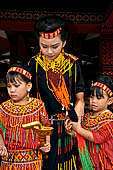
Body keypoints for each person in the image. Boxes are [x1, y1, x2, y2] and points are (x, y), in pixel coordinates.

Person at [28, 15, 85, 170]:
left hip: (67, 125)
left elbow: (80, 96)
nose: (49, 51)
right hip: (42, 126)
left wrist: (76, 121)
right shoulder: (34, 64)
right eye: (44, 46)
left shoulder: (72, 64)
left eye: (55, 46)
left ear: (64, 43)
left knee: (66, 164)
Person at [0, 62, 51, 170]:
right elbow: (0, 130)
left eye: (16, 86)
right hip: (9, 161)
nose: (12, 90)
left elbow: (45, 127)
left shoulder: (38, 106)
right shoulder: (3, 108)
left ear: (28, 86)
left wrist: (47, 144)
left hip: (33, 161)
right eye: (9, 86)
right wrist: (1, 145)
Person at [65, 75, 113, 170]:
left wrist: (78, 129)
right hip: (87, 162)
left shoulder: (109, 118)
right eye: (92, 97)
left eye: (99, 98)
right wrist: (72, 132)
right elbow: (83, 136)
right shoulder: (87, 116)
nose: (93, 101)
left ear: (110, 101)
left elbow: (98, 138)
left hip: (103, 164)